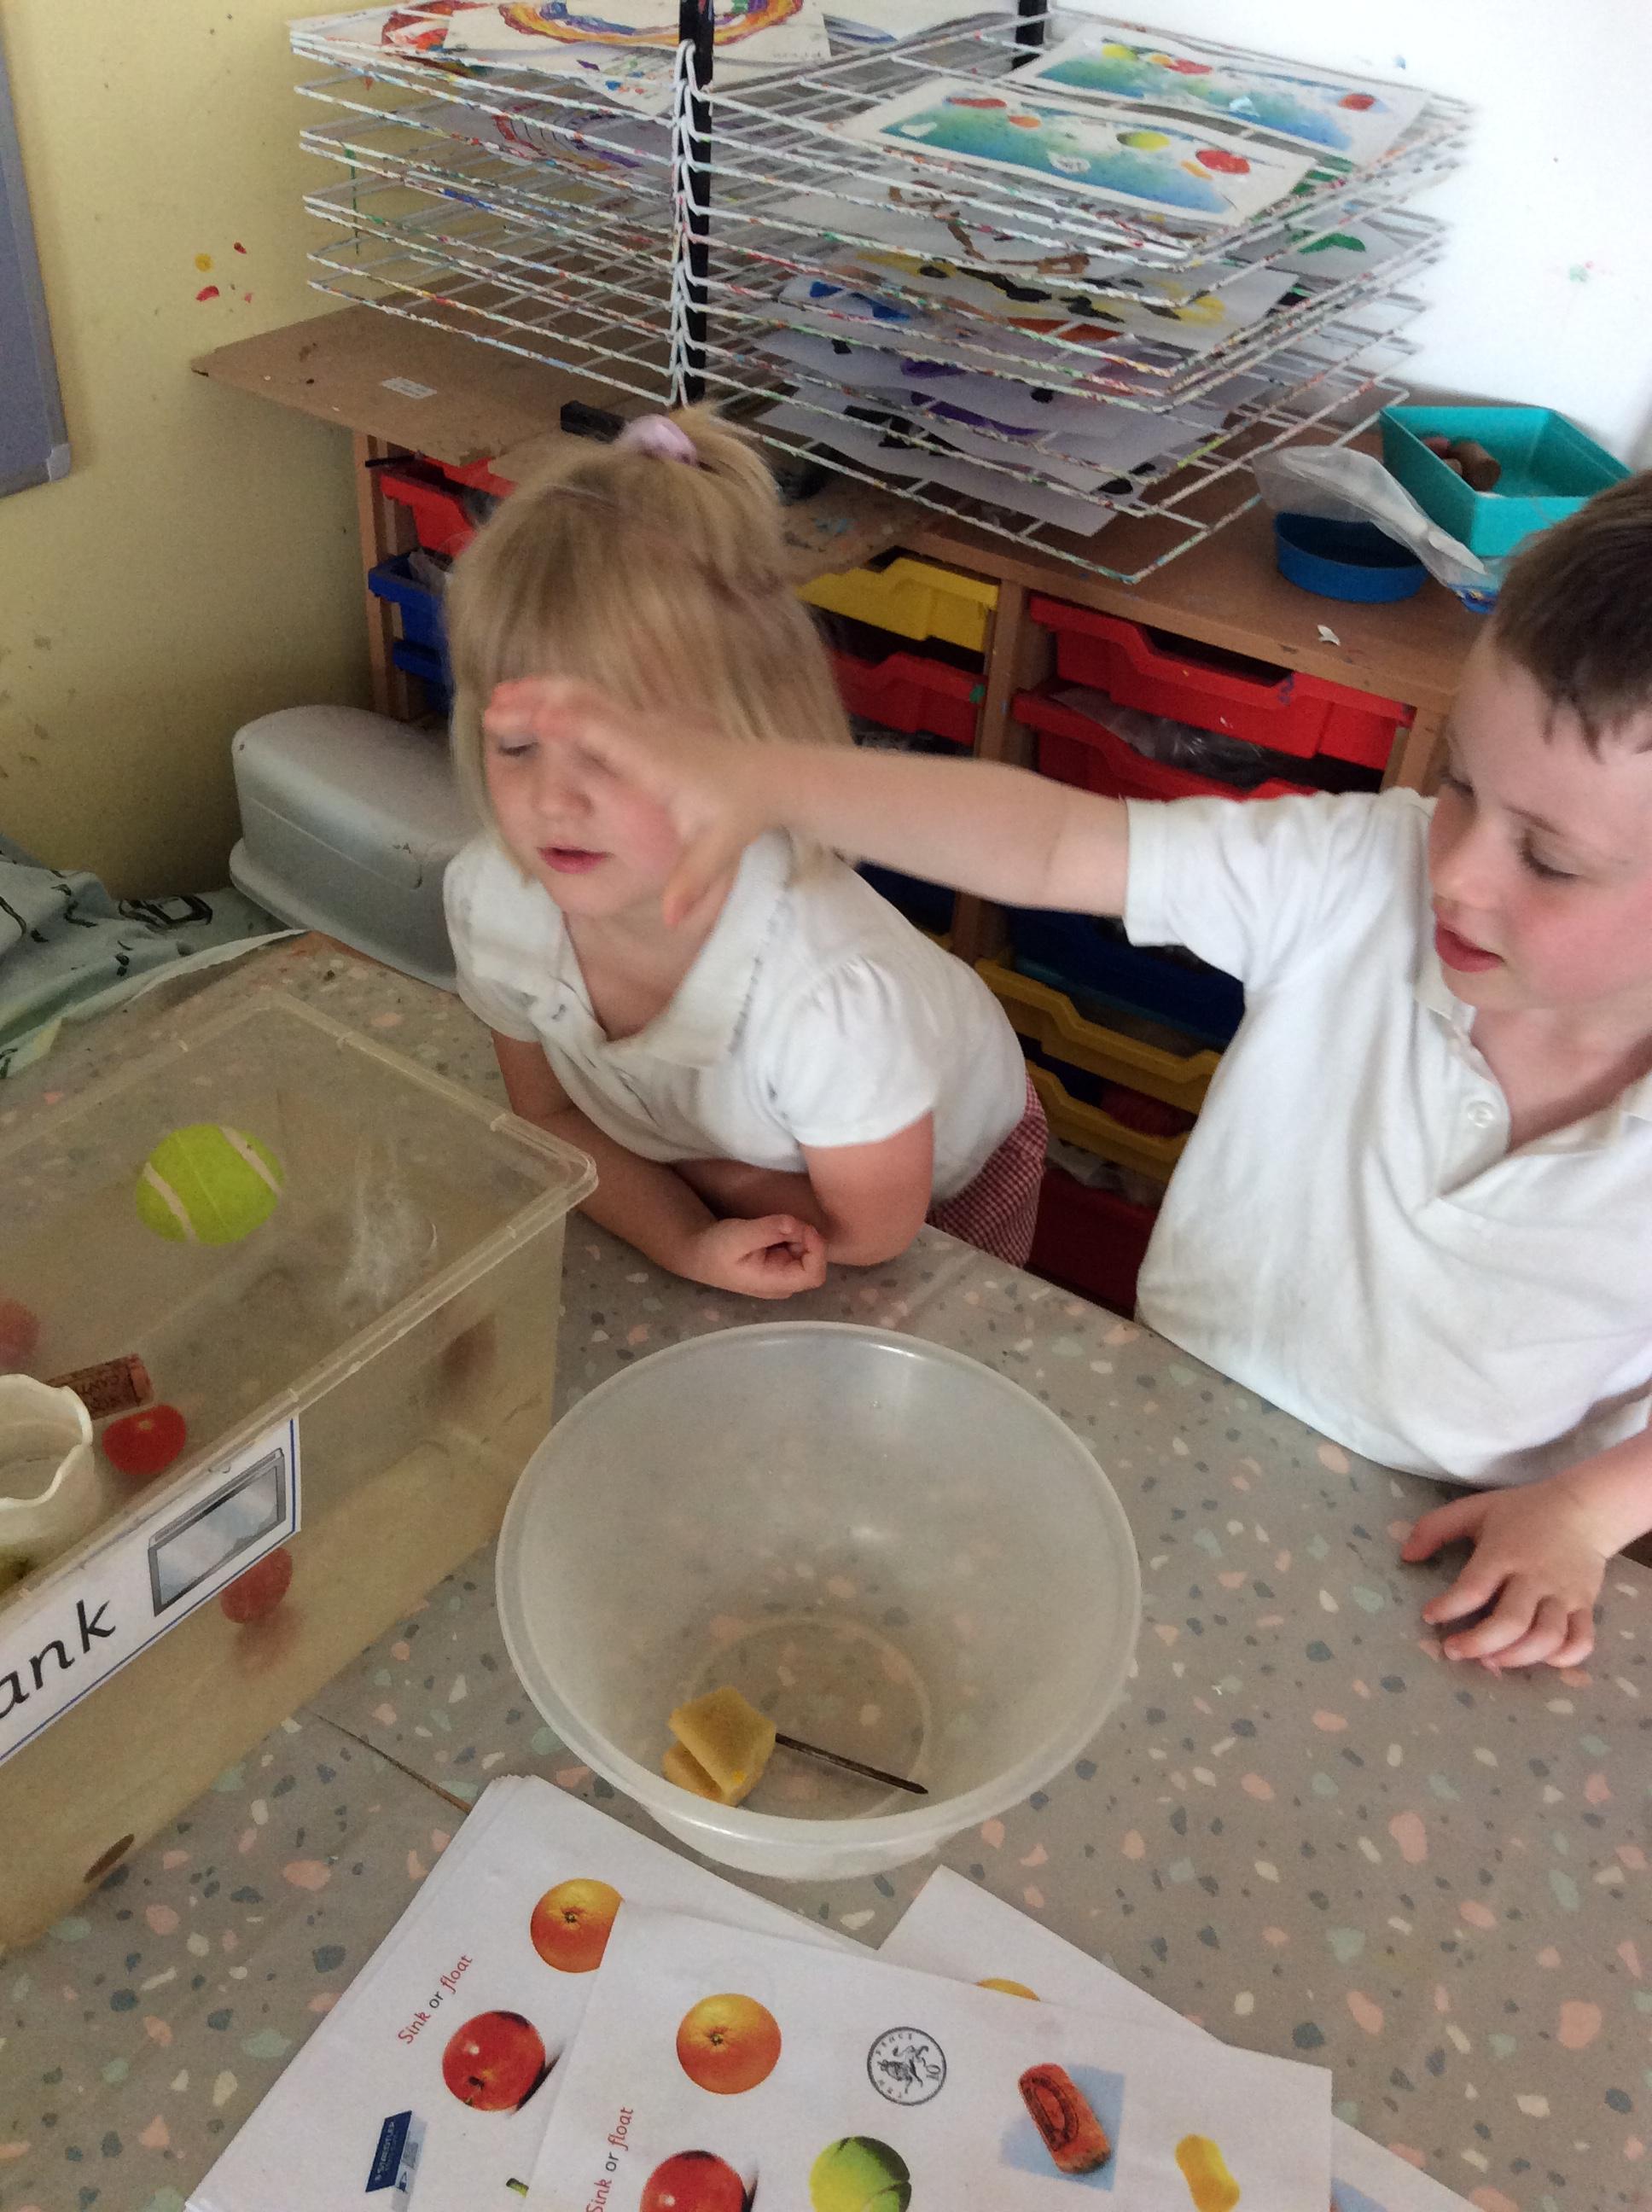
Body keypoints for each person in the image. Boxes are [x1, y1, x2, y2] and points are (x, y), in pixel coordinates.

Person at [483, 471, 1652, 1673]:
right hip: (1172, 1402)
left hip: (1453, 1533)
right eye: (1459, 784)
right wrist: (763, 780)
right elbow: (1050, 842)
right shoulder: (1360, 877)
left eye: (1551, 859)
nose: (1454, 873)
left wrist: (1587, 1513)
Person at [442, 409, 1040, 1304]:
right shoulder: (490, 900)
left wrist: (703, 1176)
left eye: (612, 753)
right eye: (518, 745)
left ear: (752, 750)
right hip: (737, 1164)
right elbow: (549, 1113)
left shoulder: (832, 1004)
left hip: (932, 1184)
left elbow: (873, 1234)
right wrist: (684, 1235)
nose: (551, 801)